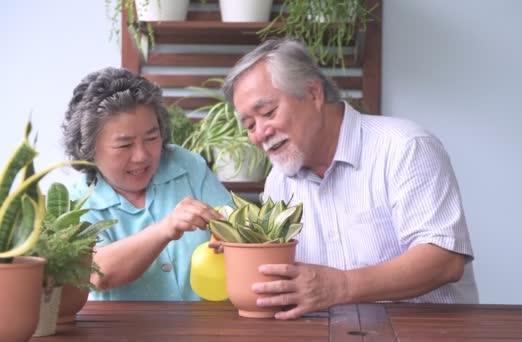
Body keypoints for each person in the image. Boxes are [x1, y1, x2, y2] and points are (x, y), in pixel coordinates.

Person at [221, 37, 479, 319]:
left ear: (313, 93)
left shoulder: (405, 146)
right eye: (249, 125)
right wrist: (241, 250)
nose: (259, 133)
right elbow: (284, 281)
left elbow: (445, 260)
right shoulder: (278, 182)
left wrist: (342, 286)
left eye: (268, 112)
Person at [63, 67, 232, 300]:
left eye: (152, 138)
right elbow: (97, 273)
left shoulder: (187, 165)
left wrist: (231, 236)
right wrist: (166, 228)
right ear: (89, 149)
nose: (142, 155)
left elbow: (234, 224)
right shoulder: (77, 201)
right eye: (124, 145)